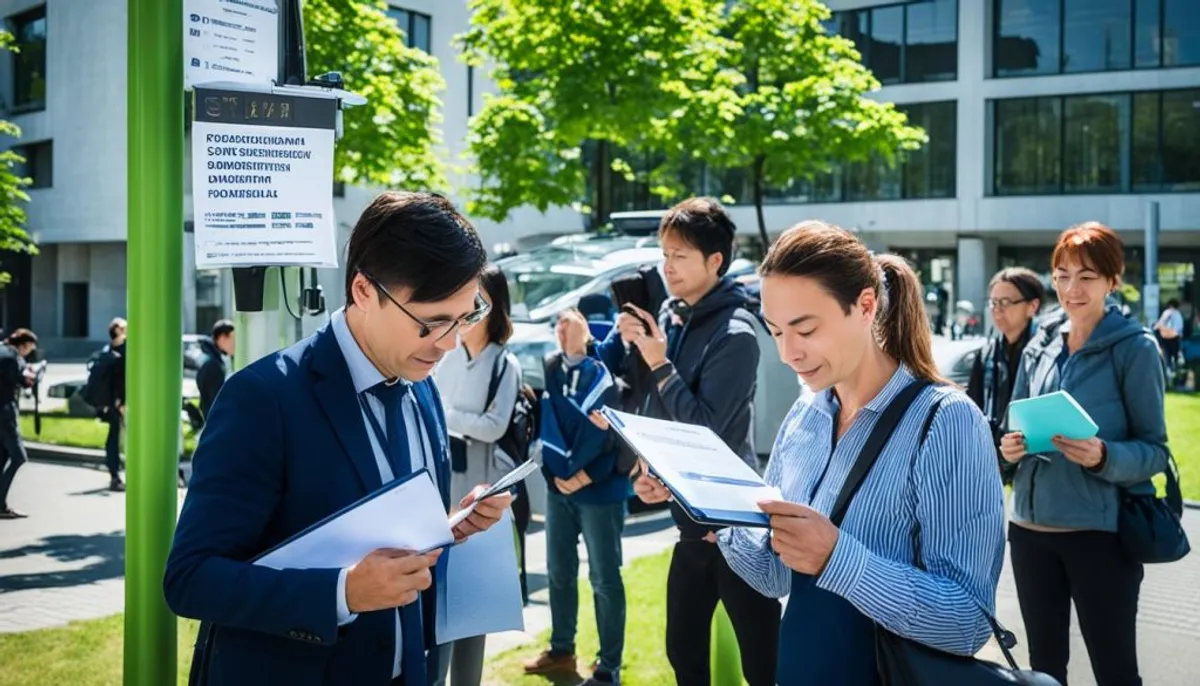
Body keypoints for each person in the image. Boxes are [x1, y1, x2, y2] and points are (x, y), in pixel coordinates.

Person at [164, 191, 514, 686]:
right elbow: (191, 580)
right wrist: (342, 592)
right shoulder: (264, 399)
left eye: (466, 317)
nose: (450, 343)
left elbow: (393, 533)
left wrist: (451, 526)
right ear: (365, 291)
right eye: (432, 323)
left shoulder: (423, 388)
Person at [676, 221, 1005, 685]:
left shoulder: (946, 422)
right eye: (775, 332)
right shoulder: (805, 414)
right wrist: (721, 520)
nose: (788, 353)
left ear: (865, 306)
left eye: (805, 329)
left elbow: (967, 620)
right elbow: (776, 578)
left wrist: (837, 559)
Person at [593, 197, 780, 686]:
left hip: (736, 527)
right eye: (665, 253)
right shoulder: (676, 320)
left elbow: (708, 433)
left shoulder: (737, 332)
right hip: (690, 523)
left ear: (715, 261)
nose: (667, 266)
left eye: (679, 255)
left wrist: (659, 362)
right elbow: (665, 421)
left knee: (763, 662)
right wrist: (655, 475)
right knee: (684, 656)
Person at [1000, 222, 1169, 686]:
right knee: (1043, 672)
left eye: (1087, 277)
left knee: (1115, 671)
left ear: (1113, 281)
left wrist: (1101, 456)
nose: (1071, 289)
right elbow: (1017, 421)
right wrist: (1010, 448)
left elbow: (1155, 451)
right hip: (1030, 532)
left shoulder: (1134, 349)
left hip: (1099, 537)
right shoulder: (1039, 343)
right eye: (1061, 274)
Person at [523, 309, 627, 686]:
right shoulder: (551, 366)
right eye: (558, 325)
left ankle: (608, 666)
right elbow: (551, 422)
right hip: (559, 488)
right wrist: (555, 475)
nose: (562, 331)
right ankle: (562, 649)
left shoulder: (604, 370)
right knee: (559, 572)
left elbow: (616, 433)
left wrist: (585, 474)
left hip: (601, 491)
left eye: (570, 324)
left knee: (604, 578)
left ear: (585, 328)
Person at [430, 264, 522, 686]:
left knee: (470, 615)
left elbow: (495, 426)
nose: (466, 312)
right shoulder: (444, 354)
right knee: (432, 613)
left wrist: (448, 416)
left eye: (476, 301)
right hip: (437, 494)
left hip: (478, 495)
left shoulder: (506, 364)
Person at [967, 267, 1045, 460]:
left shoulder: (1046, 355)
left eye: (1006, 302)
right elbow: (974, 411)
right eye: (993, 303)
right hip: (992, 461)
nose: (997, 310)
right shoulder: (986, 354)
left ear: (1032, 306)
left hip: (1034, 460)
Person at [0, 328, 38, 519]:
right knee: (19, 457)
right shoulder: (12, 357)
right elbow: (20, 380)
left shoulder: (2, 351)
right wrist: (30, 377)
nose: (29, 352)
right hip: (5, 413)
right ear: (23, 345)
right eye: (29, 348)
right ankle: (1, 505)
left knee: (3, 457)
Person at [197, 318, 236, 421]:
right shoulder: (213, 365)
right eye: (234, 339)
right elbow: (216, 402)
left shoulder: (211, 358)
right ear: (223, 338)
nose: (236, 344)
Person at [104, 318, 127, 492]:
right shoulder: (125, 351)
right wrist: (122, 401)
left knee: (114, 438)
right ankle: (116, 475)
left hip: (111, 403)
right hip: (120, 403)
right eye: (125, 327)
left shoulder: (107, 350)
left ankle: (115, 475)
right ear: (118, 330)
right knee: (119, 439)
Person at [1154, 298, 1185, 378]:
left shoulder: (1166, 312)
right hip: (1175, 338)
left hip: (1165, 338)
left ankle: (1169, 373)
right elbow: (1179, 328)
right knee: (1175, 357)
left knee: (1167, 358)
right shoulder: (1178, 314)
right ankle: (1176, 371)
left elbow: (1158, 325)